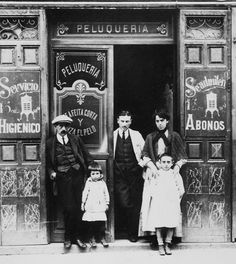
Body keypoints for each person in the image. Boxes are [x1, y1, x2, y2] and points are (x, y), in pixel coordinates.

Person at [139, 108, 187, 247]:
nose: (159, 123)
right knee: (153, 204)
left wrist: (176, 167)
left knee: (170, 205)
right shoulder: (150, 137)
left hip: (169, 175)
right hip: (155, 175)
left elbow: (182, 155)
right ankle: (154, 235)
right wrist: (152, 167)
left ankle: (170, 238)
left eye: (162, 121)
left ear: (167, 121)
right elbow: (145, 154)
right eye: (157, 121)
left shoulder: (174, 136)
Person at [46, 114, 94, 250]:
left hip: (77, 175)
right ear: (55, 127)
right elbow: (48, 163)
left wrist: (92, 169)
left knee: (79, 206)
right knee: (68, 208)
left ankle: (78, 237)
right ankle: (67, 237)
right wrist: (52, 173)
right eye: (60, 126)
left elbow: (86, 155)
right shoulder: (50, 143)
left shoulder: (75, 139)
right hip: (62, 177)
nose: (63, 128)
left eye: (66, 126)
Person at [113, 110, 145, 242]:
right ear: (117, 121)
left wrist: (140, 165)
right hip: (119, 174)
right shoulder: (112, 135)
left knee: (134, 203)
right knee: (123, 203)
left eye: (127, 121)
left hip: (134, 174)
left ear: (130, 122)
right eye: (122, 121)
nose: (124, 124)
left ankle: (132, 233)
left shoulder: (136, 135)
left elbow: (145, 152)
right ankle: (121, 229)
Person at [144, 153, 185, 256]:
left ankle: (167, 244)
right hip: (159, 202)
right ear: (159, 163)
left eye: (168, 162)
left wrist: (176, 199)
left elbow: (181, 189)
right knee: (159, 223)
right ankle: (160, 245)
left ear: (172, 163)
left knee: (171, 223)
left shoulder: (175, 174)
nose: (166, 164)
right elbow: (151, 189)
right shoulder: (157, 174)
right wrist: (157, 197)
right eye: (164, 162)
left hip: (171, 202)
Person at [81, 162, 110, 248]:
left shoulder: (102, 183)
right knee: (91, 223)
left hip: (100, 206)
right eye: (93, 174)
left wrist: (107, 203)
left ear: (100, 174)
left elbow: (106, 193)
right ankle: (91, 238)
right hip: (91, 206)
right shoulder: (88, 182)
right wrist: (83, 203)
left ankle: (101, 237)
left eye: (97, 173)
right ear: (90, 174)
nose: (95, 175)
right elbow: (85, 193)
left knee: (101, 223)